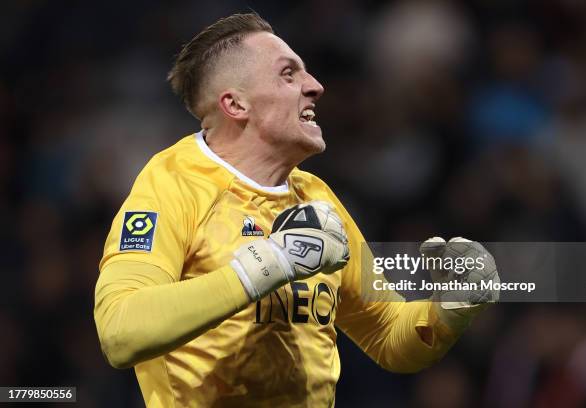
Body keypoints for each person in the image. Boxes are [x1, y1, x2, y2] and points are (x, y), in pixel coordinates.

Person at [94, 13, 498, 407]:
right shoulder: (173, 184)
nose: (316, 86)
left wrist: (450, 308)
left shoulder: (316, 197)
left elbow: (388, 335)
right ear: (235, 104)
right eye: (289, 74)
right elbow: (121, 331)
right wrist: (265, 266)